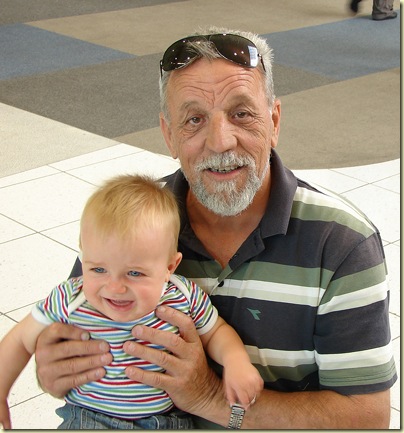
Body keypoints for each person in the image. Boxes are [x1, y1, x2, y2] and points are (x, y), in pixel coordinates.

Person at [34, 27, 397, 429]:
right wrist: (54, 370)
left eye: (241, 114)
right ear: (169, 135)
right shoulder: (131, 221)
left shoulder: (342, 242)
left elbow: (366, 417)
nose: (221, 141)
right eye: (194, 119)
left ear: (274, 121)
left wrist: (208, 397)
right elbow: (66, 345)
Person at [0, 174, 263, 430]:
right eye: (98, 269)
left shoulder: (182, 295)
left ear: (169, 267)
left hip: (167, 421)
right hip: (88, 418)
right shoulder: (71, 298)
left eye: (135, 273)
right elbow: (20, 339)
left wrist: (236, 362)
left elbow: (216, 332)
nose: (115, 288)